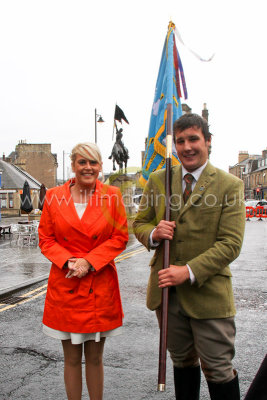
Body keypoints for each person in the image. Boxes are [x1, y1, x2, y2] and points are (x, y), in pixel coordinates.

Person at [133, 113, 245, 400]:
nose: (186, 147)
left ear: (208, 142)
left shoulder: (229, 185)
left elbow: (230, 243)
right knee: (182, 363)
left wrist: (188, 271)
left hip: (209, 295)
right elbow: (140, 223)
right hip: (168, 296)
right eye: (180, 141)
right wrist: (154, 233)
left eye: (193, 139)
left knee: (218, 369)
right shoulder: (159, 180)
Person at [38, 142, 128, 400]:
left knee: (96, 358)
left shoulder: (112, 195)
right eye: (82, 162)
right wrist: (68, 261)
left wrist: (88, 261)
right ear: (73, 165)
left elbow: (119, 237)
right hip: (65, 282)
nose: (88, 167)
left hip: (98, 283)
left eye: (93, 162)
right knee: (72, 359)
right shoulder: (54, 196)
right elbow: (45, 238)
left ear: (100, 166)